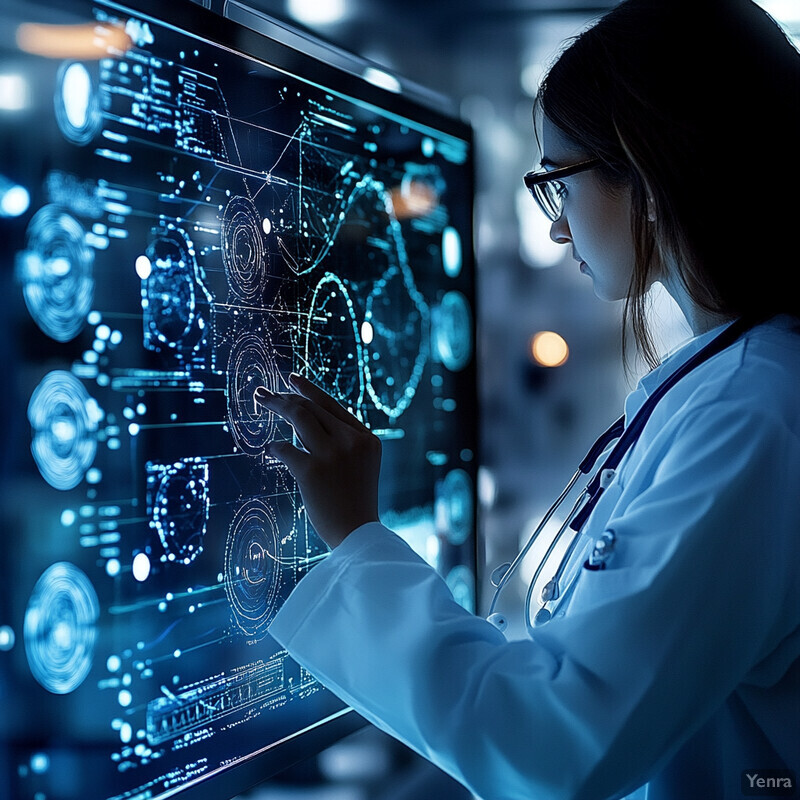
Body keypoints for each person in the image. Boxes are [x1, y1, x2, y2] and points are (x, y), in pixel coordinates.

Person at [255, 0, 800, 797]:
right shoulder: (737, 385)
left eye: (558, 184)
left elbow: (552, 745)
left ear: (645, 173)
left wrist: (356, 538)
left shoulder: (751, 416)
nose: (555, 230)